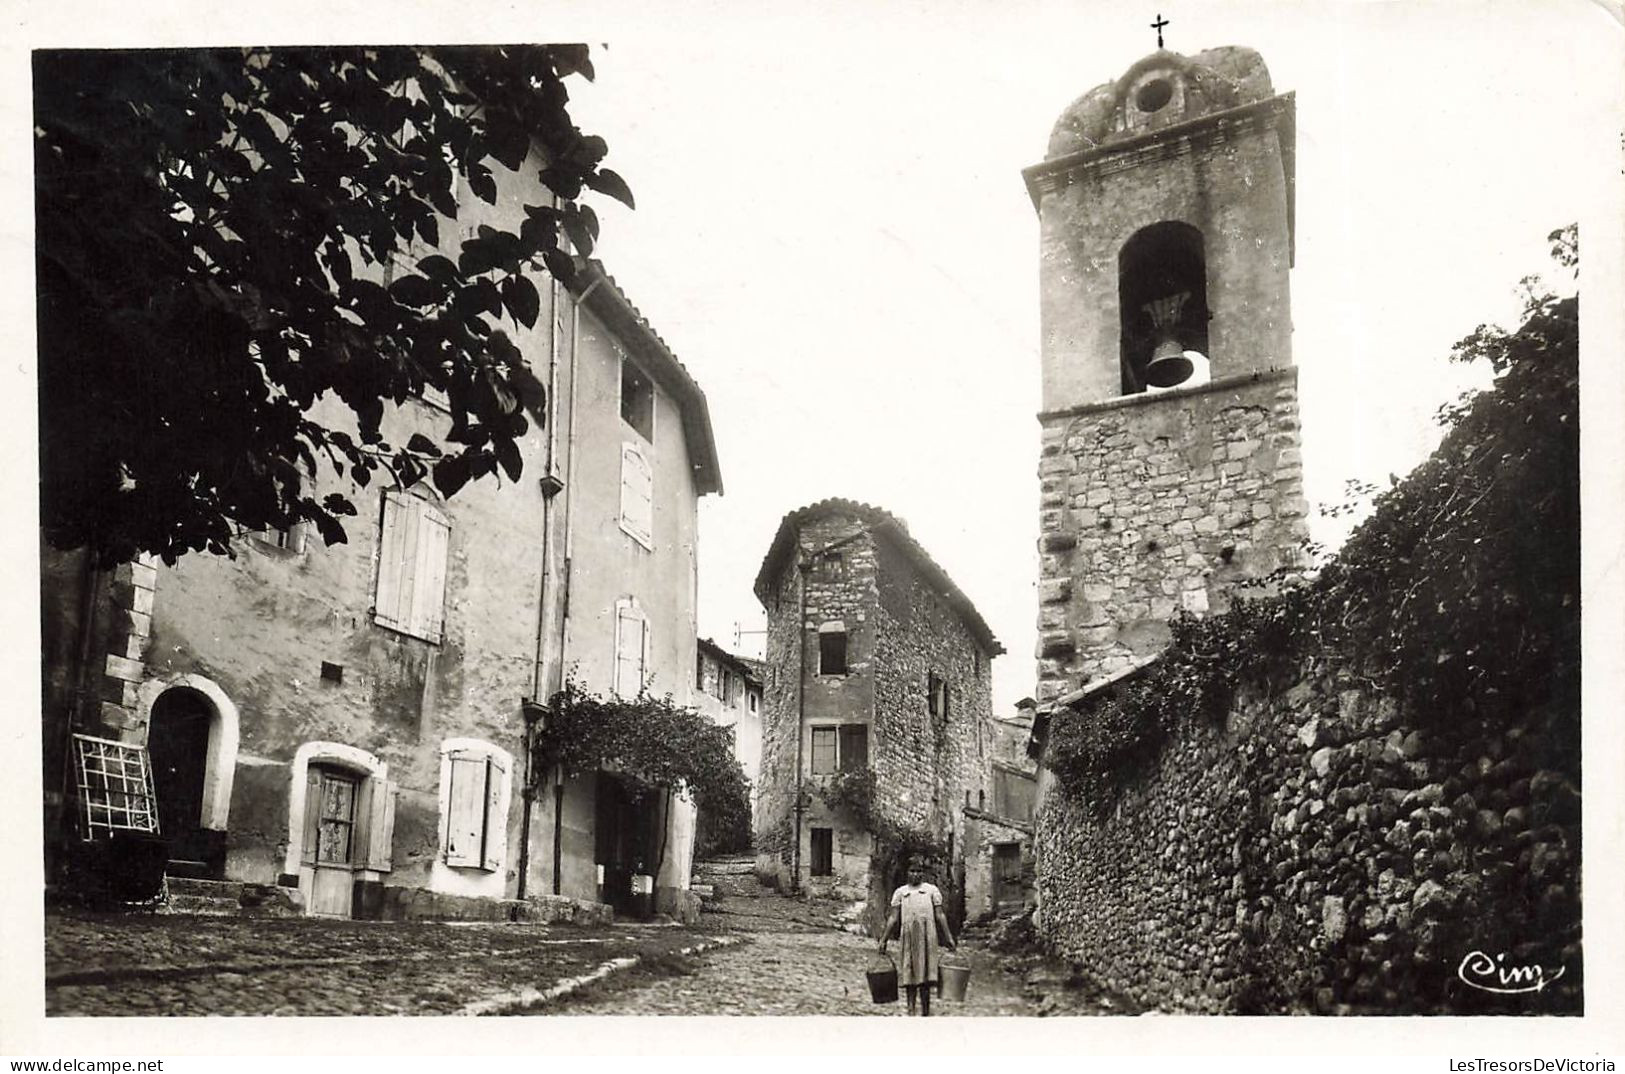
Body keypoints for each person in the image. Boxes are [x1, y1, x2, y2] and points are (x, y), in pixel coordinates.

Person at [878, 858, 956, 1016]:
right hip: (908, 937)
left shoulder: (931, 890)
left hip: (927, 936)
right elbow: (893, 917)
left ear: (923, 874)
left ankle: (926, 1012)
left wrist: (948, 937)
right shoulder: (901, 892)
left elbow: (940, 915)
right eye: (912, 871)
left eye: (919, 871)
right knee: (910, 973)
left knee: (926, 977)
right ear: (907, 873)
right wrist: (883, 939)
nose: (915, 875)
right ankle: (911, 1010)